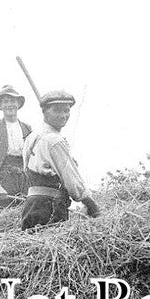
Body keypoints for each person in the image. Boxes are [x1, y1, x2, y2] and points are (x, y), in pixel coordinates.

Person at [20, 90, 101, 230]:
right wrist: (92, 206)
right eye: (57, 110)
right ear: (45, 112)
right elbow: (71, 179)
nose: (63, 115)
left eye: (66, 110)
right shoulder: (55, 141)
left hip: (31, 205)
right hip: (50, 206)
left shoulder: (32, 137)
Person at [0, 85, 33, 213]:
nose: (10, 104)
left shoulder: (28, 129)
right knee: (5, 221)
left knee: (28, 217)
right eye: (6, 101)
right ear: (1, 105)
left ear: (18, 104)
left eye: (13, 101)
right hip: (4, 180)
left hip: (25, 180)